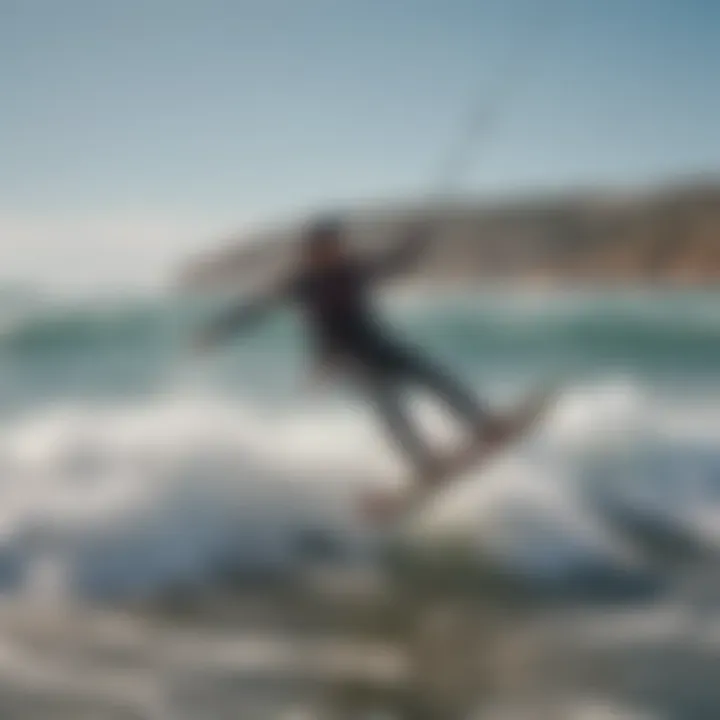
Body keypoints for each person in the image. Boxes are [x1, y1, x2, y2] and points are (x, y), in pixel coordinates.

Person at [197, 216, 505, 484]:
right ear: (310, 251)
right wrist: (218, 330)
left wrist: (415, 242)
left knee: (434, 376)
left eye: (336, 245)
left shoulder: (352, 269)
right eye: (325, 247)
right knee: (389, 405)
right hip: (345, 357)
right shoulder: (301, 282)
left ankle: (482, 425)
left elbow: (395, 263)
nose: (333, 251)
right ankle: (424, 465)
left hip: (378, 343)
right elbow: (256, 309)